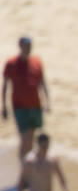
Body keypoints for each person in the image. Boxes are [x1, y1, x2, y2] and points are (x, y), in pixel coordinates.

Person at [2, 37, 49, 166]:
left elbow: (42, 82)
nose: (28, 48)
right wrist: (4, 106)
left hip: (35, 105)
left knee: (32, 137)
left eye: (29, 46)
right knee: (25, 138)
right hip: (19, 107)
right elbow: (5, 85)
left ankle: (28, 166)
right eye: (26, 46)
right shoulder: (11, 63)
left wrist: (47, 101)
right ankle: (24, 169)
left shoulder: (36, 62)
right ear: (20, 46)